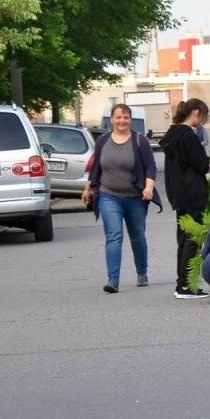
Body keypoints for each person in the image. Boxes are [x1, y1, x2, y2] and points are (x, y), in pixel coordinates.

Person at [81, 103, 161, 293]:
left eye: (126, 117)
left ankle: (142, 272)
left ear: (130, 120)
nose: (122, 121)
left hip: (135, 197)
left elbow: (150, 167)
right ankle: (113, 280)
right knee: (114, 235)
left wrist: (148, 187)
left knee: (137, 236)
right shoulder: (102, 141)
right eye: (118, 117)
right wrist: (87, 188)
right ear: (111, 120)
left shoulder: (139, 141)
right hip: (109, 195)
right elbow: (95, 168)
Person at [159, 98, 210, 299]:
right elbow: (203, 165)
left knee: (183, 239)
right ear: (195, 112)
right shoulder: (187, 136)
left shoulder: (173, 134)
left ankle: (182, 283)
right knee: (193, 239)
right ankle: (186, 286)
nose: (203, 121)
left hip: (178, 194)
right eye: (203, 116)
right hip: (192, 193)